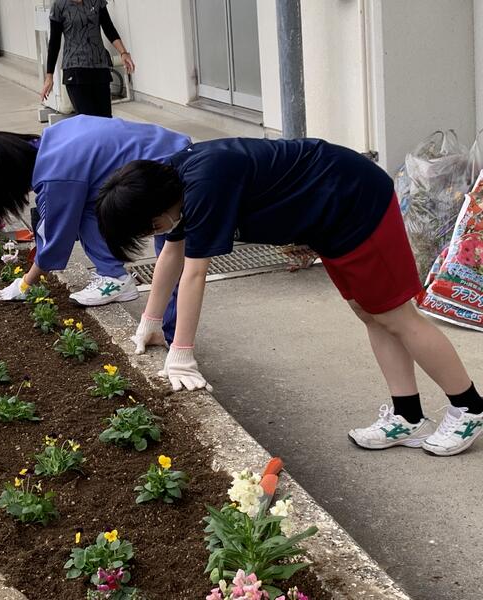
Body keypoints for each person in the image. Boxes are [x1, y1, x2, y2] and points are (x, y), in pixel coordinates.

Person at [96, 137, 483, 457]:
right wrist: (150, 322)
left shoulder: (205, 184)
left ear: (154, 212)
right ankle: (408, 415)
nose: (154, 234)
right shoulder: (171, 184)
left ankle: (469, 408)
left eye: (149, 228)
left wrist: (182, 356)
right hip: (326, 215)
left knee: (396, 314)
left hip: (354, 198)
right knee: (368, 311)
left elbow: (195, 274)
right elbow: (172, 252)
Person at [0, 115, 190, 306]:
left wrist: (25, 284)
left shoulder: (57, 176)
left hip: (165, 172)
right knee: (87, 208)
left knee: (172, 262)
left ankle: (117, 280)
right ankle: (115, 276)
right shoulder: (52, 139)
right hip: (171, 149)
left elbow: (55, 237)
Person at [41, 0, 135, 118]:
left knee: (105, 118)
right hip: (75, 69)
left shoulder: (97, 2)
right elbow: (54, 43)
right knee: (87, 119)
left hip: (99, 67)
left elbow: (109, 28)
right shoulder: (59, 5)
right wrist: (49, 76)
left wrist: (123, 53)